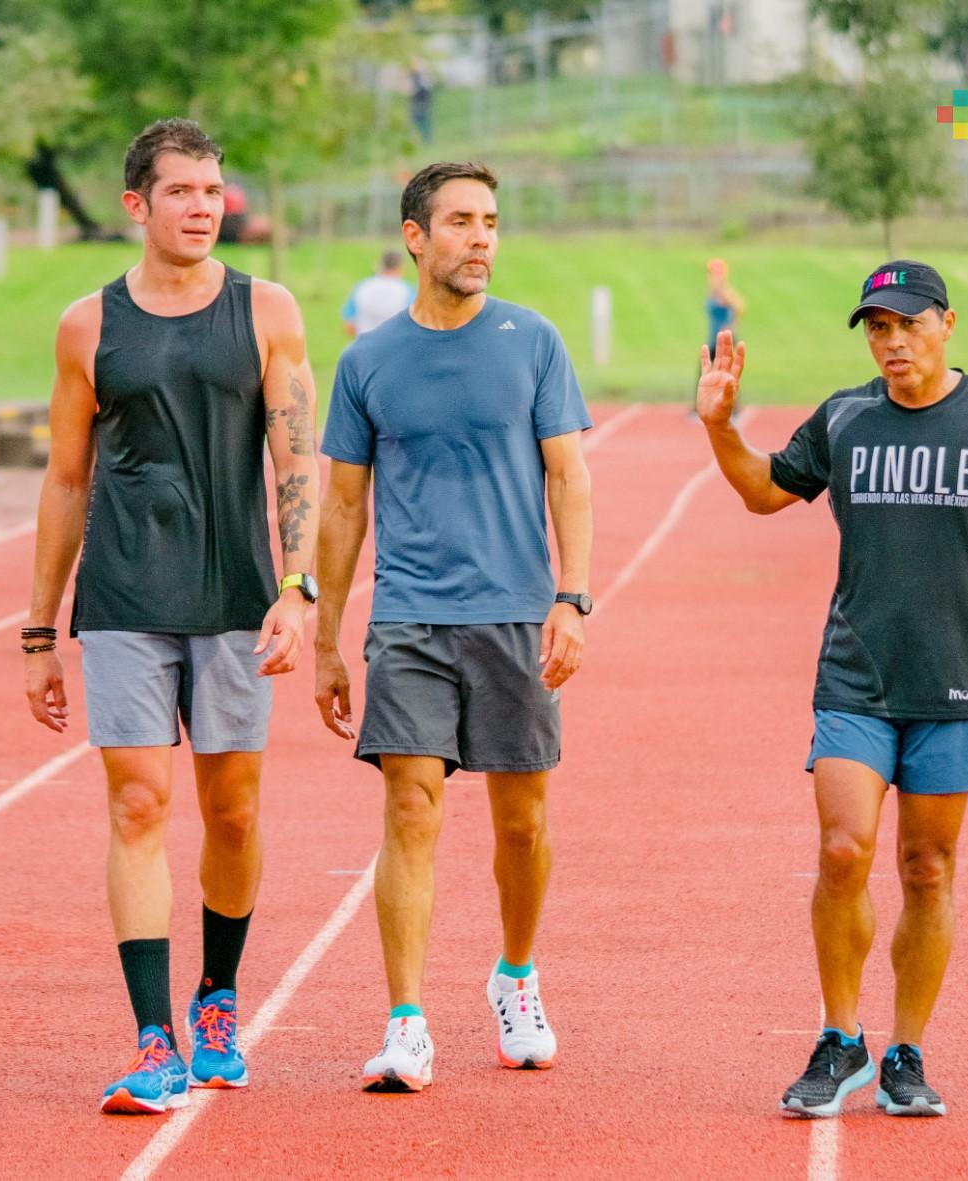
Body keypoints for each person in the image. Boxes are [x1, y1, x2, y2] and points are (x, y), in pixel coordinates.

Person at [696, 260, 968, 1119]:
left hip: (954, 682)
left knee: (927, 866)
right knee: (844, 850)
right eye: (878, 327)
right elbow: (766, 491)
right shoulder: (846, 415)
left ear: (947, 324)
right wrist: (721, 429)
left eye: (908, 324)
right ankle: (841, 1040)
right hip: (855, 675)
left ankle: (906, 1052)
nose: (892, 342)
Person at [22, 118, 321, 1115]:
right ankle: (151, 1037)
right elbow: (65, 480)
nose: (204, 208)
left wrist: (300, 588)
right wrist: (37, 629)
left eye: (211, 191)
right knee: (139, 803)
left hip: (235, 595)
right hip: (121, 597)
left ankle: (216, 996)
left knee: (231, 810)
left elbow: (296, 461)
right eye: (183, 192)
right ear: (137, 205)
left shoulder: (266, 310)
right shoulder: (86, 325)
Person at [314, 161, 593, 1093]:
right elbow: (344, 507)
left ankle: (515, 975)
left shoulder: (534, 341)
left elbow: (569, 476)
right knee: (410, 806)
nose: (481, 237)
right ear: (414, 236)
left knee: (524, 822)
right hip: (410, 617)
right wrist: (325, 638)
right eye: (462, 221)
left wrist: (574, 596)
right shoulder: (368, 362)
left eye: (491, 221)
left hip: (516, 614)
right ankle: (406, 1020)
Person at [341, 250, 415, 339]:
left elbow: (349, 326)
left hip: (364, 345)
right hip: (394, 346)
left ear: (381, 264)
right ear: (401, 267)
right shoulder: (408, 291)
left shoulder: (362, 287)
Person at [704, 257, 744, 360]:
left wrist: (731, 326)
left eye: (712, 274)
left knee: (708, 372)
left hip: (722, 340)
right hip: (715, 339)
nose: (709, 277)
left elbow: (739, 306)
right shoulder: (714, 291)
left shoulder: (723, 292)